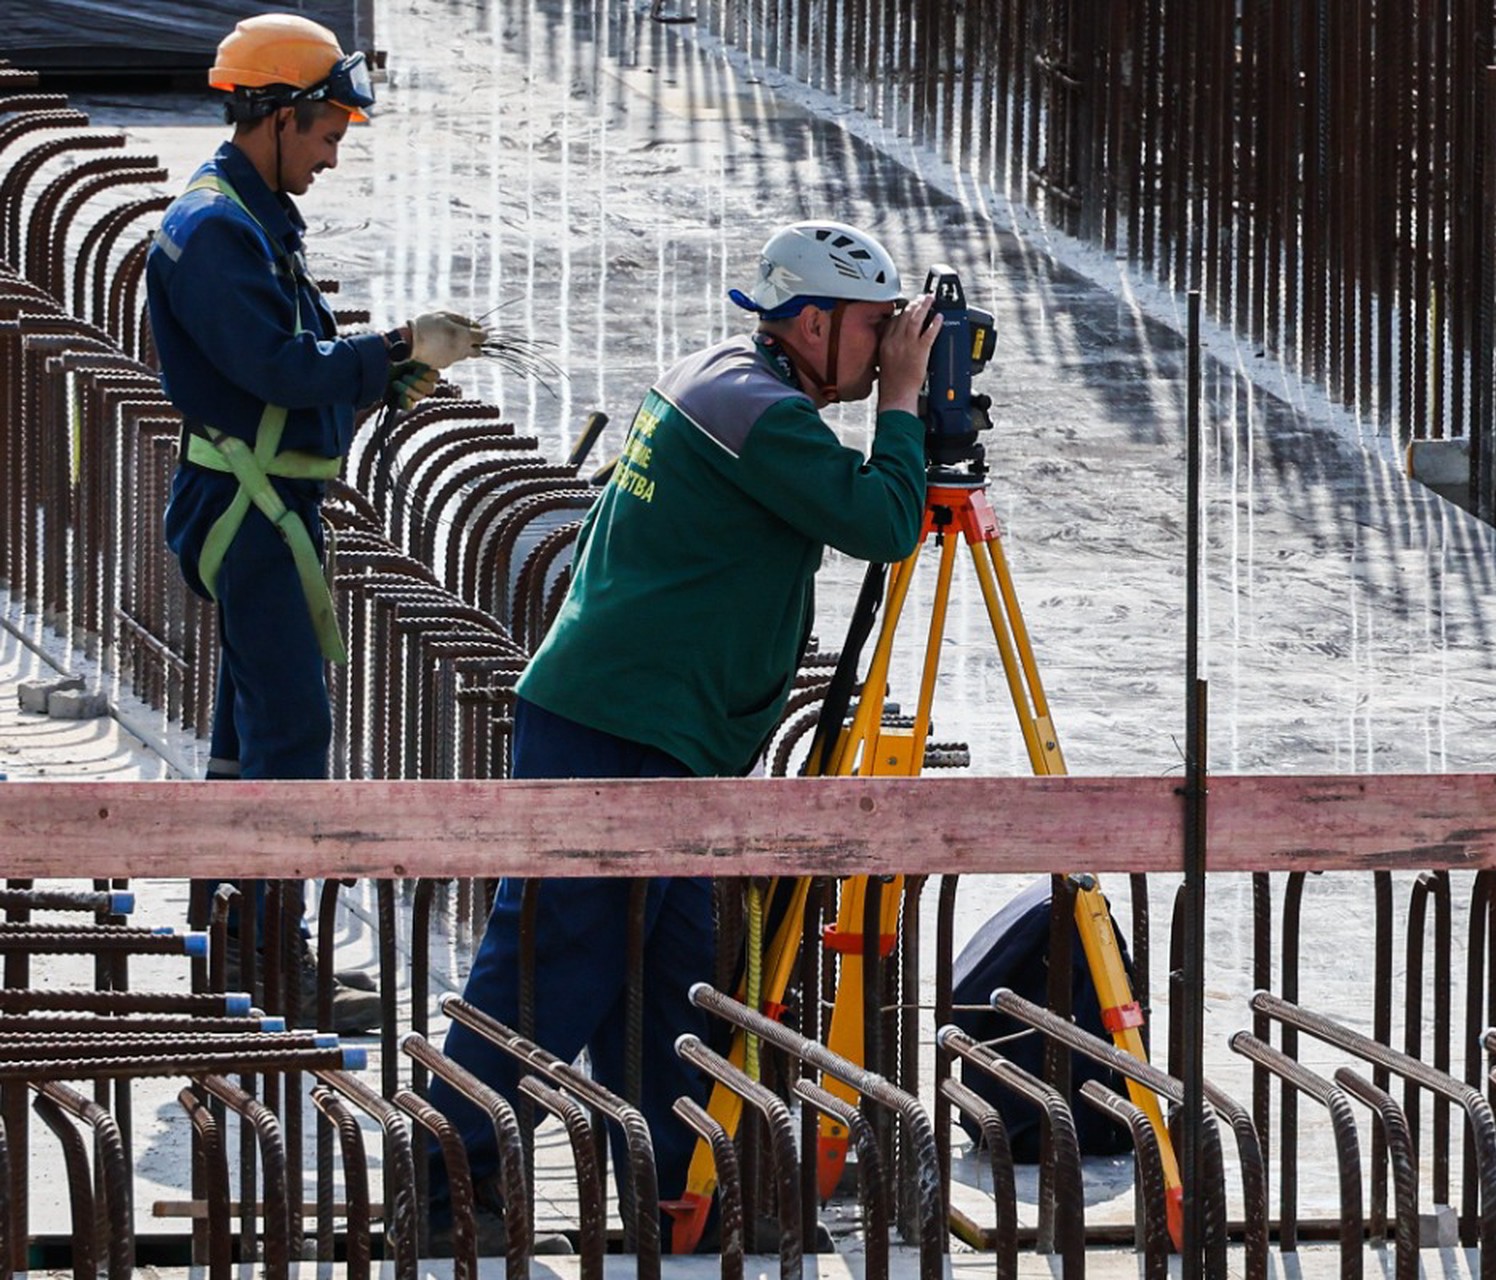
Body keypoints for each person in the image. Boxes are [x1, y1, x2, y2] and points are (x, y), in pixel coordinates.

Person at [426, 220, 940, 1254]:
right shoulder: (765, 417)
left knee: (673, 970)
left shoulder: (724, 379)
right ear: (809, 321)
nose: (893, 346)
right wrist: (901, 404)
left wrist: (891, 387)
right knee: (554, 953)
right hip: (620, 725)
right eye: (876, 328)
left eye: (900, 332)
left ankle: (673, 1183)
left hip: (638, 719)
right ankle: (446, 1177)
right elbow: (887, 523)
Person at [146, 13, 485, 1034]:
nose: (335, 156)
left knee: (247, 738)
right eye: (328, 132)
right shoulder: (215, 232)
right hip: (249, 517)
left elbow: (292, 369)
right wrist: (390, 348)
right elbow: (282, 371)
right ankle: (270, 965)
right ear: (280, 116)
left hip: (257, 505)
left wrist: (393, 372)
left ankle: (230, 949)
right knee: (290, 735)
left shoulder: (248, 217)